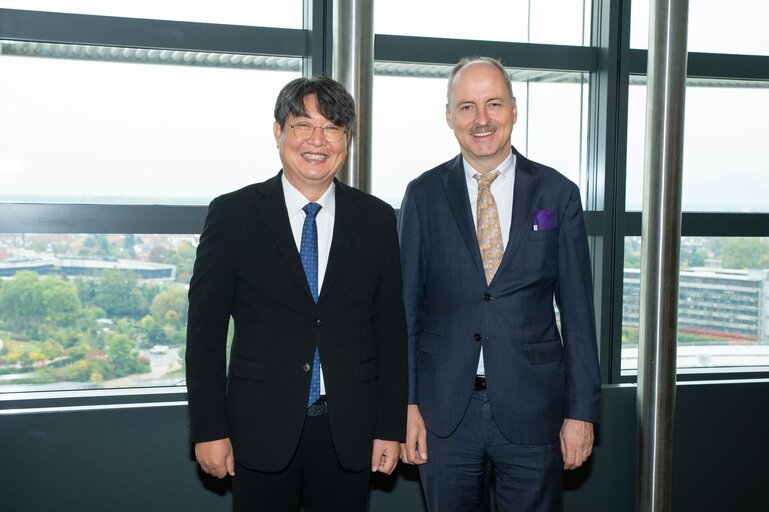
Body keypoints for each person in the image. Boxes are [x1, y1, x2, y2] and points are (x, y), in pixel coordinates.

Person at [185, 75, 408, 512]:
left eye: (333, 128)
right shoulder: (233, 215)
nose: (317, 141)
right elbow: (205, 334)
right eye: (303, 125)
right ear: (278, 132)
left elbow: (391, 332)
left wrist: (390, 426)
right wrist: (208, 429)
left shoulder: (377, 219)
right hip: (258, 428)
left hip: (350, 430)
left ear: (347, 139)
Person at [398, 56, 601, 512]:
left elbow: (578, 312)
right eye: (467, 107)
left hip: (535, 411)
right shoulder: (423, 194)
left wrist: (582, 412)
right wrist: (406, 405)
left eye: (493, 103)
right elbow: (406, 310)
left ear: (514, 108)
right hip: (444, 415)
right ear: (448, 116)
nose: (482, 119)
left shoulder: (557, 193)